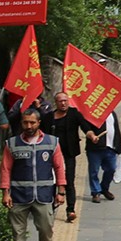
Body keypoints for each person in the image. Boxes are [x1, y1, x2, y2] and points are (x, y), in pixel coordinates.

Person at [0, 106, 65, 241]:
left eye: (32, 122)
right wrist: (5, 193)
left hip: (44, 196)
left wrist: (61, 191)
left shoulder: (52, 142)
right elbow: (5, 169)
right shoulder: (12, 144)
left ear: (38, 123)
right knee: (18, 233)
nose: (28, 126)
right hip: (19, 196)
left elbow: (59, 167)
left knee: (46, 231)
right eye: (25, 122)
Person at [44, 92, 85, 223]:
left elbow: (85, 126)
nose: (63, 103)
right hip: (51, 155)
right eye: (60, 101)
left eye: (65, 101)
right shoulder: (49, 118)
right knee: (52, 181)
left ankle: (70, 209)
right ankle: (50, 207)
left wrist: (91, 135)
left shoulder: (74, 114)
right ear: (56, 102)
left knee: (69, 181)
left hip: (69, 154)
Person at [83, 109, 121, 203]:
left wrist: (119, 146)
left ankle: (104, 188)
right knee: (94, 171)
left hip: (111, 148)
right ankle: (95, 192)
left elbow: (116, 129)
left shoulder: (112, 113)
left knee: (111, 169)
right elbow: (86, 128)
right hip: (95, 148)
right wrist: (92, 136)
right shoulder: (92, 113)